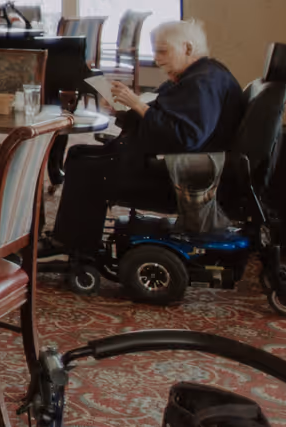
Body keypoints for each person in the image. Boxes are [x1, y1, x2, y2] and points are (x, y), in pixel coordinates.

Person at [44, 19, 245, 264]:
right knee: (79, 153)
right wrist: (122, 109)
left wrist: (137, 104)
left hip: (179, 175)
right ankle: (72, 239)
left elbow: (184, 138)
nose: (157, 59)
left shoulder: (203, 82)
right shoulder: (198, 75)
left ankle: (75, 246)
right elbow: (162, 116)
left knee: (86, 167)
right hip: (164, 160)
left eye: (163, 51)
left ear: (188, 48)